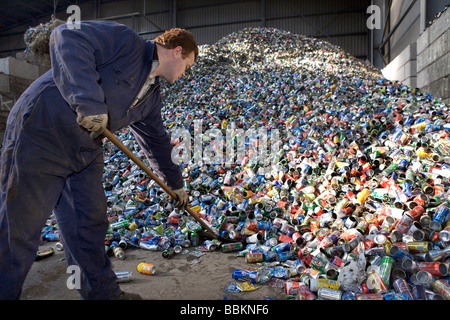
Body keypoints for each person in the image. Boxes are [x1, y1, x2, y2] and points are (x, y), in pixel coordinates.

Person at [0, 20, 198, 300]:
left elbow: (156, 141)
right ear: (177, 51)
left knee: (88, 223)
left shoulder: (152, 96)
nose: (184, 74)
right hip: (42, 130)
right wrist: (88, 103)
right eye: (186, 67)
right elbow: (66, 35)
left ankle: (103, 295)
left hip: (84, 148)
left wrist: (175, 183)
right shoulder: (126, 43)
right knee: (20, 227)